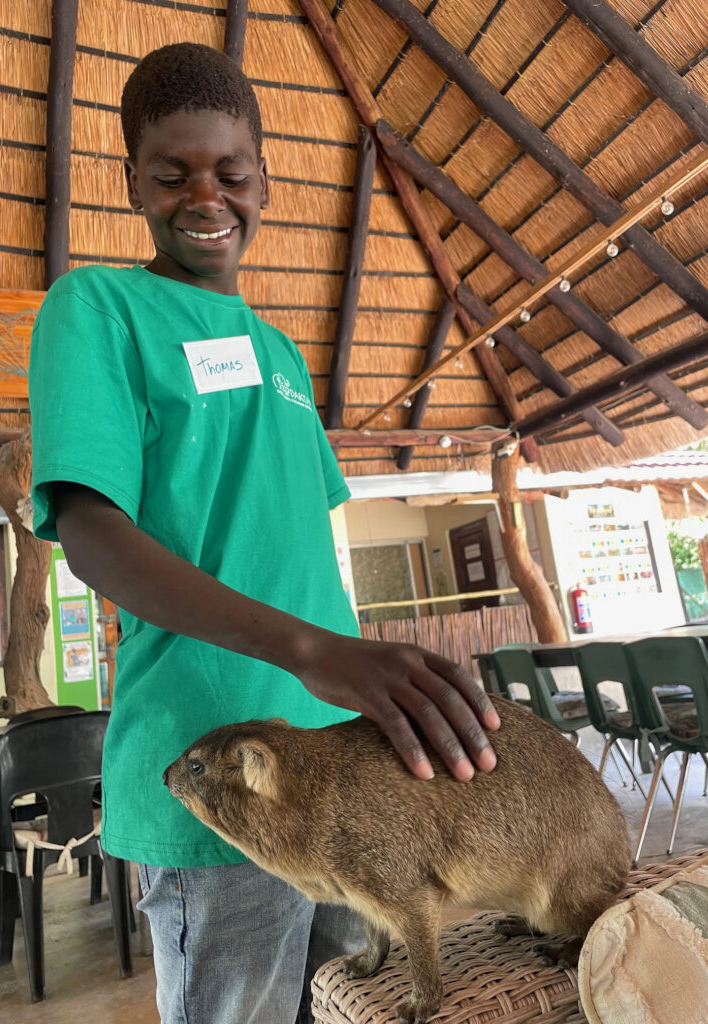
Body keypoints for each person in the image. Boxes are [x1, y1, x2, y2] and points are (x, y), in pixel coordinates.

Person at [29, 42, 500, 1024]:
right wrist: (308, 649)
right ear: (135, 185)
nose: (207, 194)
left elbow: (298, 553)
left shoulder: (283, 351)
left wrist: (371, 672)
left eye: (230, 172)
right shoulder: (99, 307)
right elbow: (91, 535)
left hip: (344, 779)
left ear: (264, 183)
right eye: (174, 173)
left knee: (352, 1008)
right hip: (223, 795)